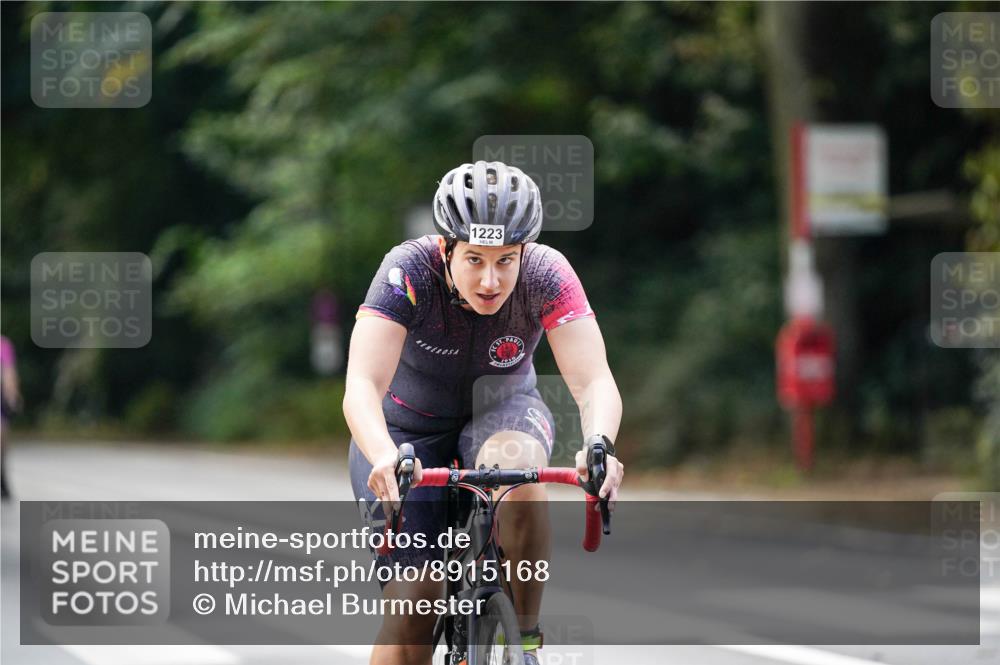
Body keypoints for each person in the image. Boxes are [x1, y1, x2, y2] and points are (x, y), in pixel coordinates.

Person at [343, 161, 624, 665]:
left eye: (505, 260)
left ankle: (526, 640)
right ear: (446, 248)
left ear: (524, 253)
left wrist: (598, 442)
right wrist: (383, 455)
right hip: (406, 430)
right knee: (414, 608)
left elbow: (593, 380)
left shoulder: (546, 273)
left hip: (504, 411)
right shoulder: (407, 272)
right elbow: (362, 384)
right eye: (474, 258)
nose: (490, 280)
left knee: (520, 476)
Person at [1, 334, 22, 501]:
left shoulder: (3, 345)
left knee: (2, 435)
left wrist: (12, 395)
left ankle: (2, 473)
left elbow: (9, 373)